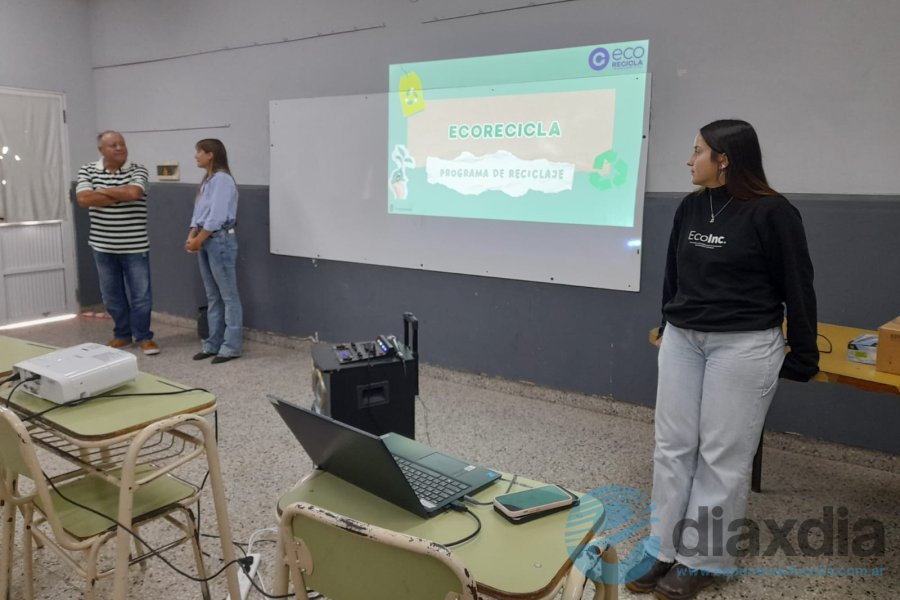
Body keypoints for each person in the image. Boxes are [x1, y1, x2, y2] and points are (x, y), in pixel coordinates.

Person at [627, 119, 818, 600]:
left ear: (725, 158)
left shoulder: (774, 213)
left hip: (743, 345)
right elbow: (673, 275)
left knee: (722, 455)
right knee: (671, 447)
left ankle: (703, 559)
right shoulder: (691, 207)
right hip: (684, 340)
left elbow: (799, 285)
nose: (689, 160)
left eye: (697, 151)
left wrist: (804, 352)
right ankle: (661, 547)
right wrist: (668, 322)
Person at [76, 131, 159, 355]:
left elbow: (134, 193)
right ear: (101, 150)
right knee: (112, 296)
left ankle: (144, 337)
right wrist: (118, 193)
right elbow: (83, 199)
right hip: (102, 246)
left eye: (122, 144)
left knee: (141, 296)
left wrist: (100, 193)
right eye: (113, 145)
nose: (120, 148)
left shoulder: (138, 169)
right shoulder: (87, 170)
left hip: (135, 246)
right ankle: (122, 334)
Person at [185, 139, 242, 364]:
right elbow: (199, 213)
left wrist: (198, 240)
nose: (196, 156)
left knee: (229, 296)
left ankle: (231, 346)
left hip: (220, 240)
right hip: (206, 239)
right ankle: (213, 343)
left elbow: (217, 216)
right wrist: (192, 235)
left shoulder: (222, 180)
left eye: (199, 151)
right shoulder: (207, 181)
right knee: (213, 296)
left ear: (211, 155)